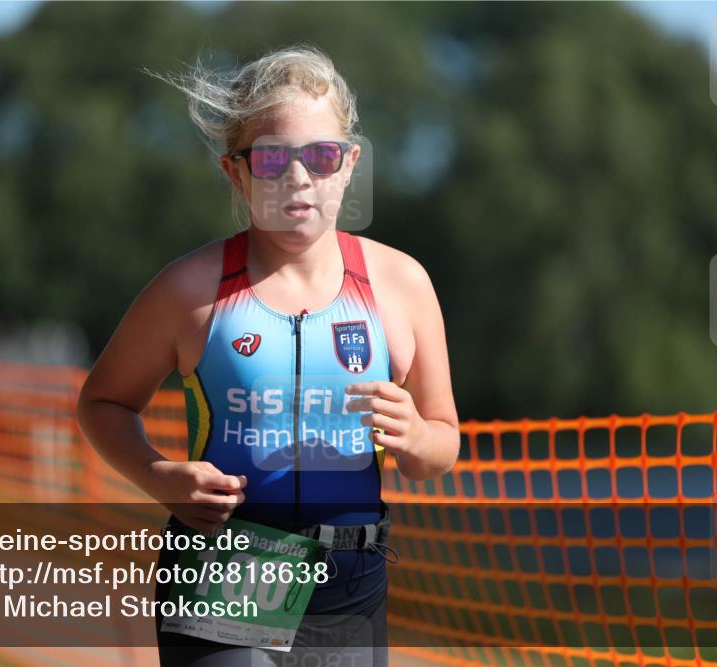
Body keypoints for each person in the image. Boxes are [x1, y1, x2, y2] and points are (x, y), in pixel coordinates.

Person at [76, 43, 460, 667]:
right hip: (229, 564)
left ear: (349, 164)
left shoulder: (401, 284)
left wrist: (417, 436)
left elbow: (442, 442)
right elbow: (103, 402)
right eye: (273, 159)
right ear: (237, 173)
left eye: (321, 156)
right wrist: (156, 475)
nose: (299, 178)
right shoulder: (190, 290)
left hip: (353, 580)